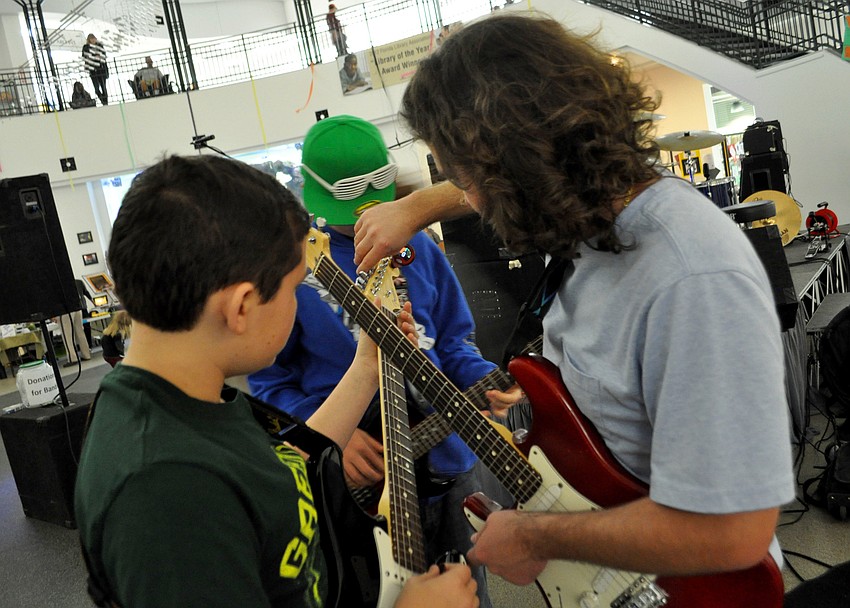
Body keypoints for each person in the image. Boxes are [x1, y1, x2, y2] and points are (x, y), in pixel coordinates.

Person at [353, 13, 795, 592]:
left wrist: (537, 535)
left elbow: (731, 530)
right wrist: (419, 207)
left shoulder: (690, 278)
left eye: (471, 180)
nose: (476, 205)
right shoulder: (593, 227)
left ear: (521, 164)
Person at [74, 154, 479, 608]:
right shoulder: (166, 491)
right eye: (295, 288)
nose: (297, 303)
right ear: (242, 307)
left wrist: (368, 365)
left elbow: (282, 465)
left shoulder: (187, 395)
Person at [248, 115, 520, 608]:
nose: (360, 217)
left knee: (466, 592)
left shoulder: (418, 245)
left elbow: (454, 343)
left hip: (448, 463)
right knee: (380, 595)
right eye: (348, 205)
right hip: (359, 480)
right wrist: (332, 435)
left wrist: (486, 381)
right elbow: (270, 384)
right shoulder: (299, 267)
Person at [82, 33, 108, 105]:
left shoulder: (99, 45)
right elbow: (85, 56)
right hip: (93, 70)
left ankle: (105, 102)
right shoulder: (86, 47)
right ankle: (103, 101)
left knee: (104, 87)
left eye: (94, 39)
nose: (93, 40)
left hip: (101, 69)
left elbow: (103, 55)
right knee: (96, 89)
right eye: (91, 39)